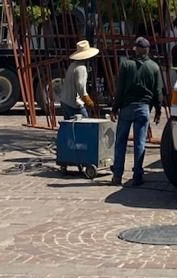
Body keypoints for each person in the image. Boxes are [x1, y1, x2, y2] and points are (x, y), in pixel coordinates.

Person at [110, 36, 162, 187]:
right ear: (147, 50)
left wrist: (114, 108)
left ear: (137, 49)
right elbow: (158, 91)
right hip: (143, 109)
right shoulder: (154, 67)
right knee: (140, 143)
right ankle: (137, 176)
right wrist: (158, 110)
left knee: (121, 142)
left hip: (126, 108)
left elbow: (120, 90)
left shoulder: (126, 65)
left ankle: (117, 176)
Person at [61, 38, 99, 119]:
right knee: (85, 123)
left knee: (69, 125)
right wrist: (90, 103)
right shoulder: (81, 68)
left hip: (65, 101)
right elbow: (81, 89)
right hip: (73, 104)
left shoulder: (72, 65)